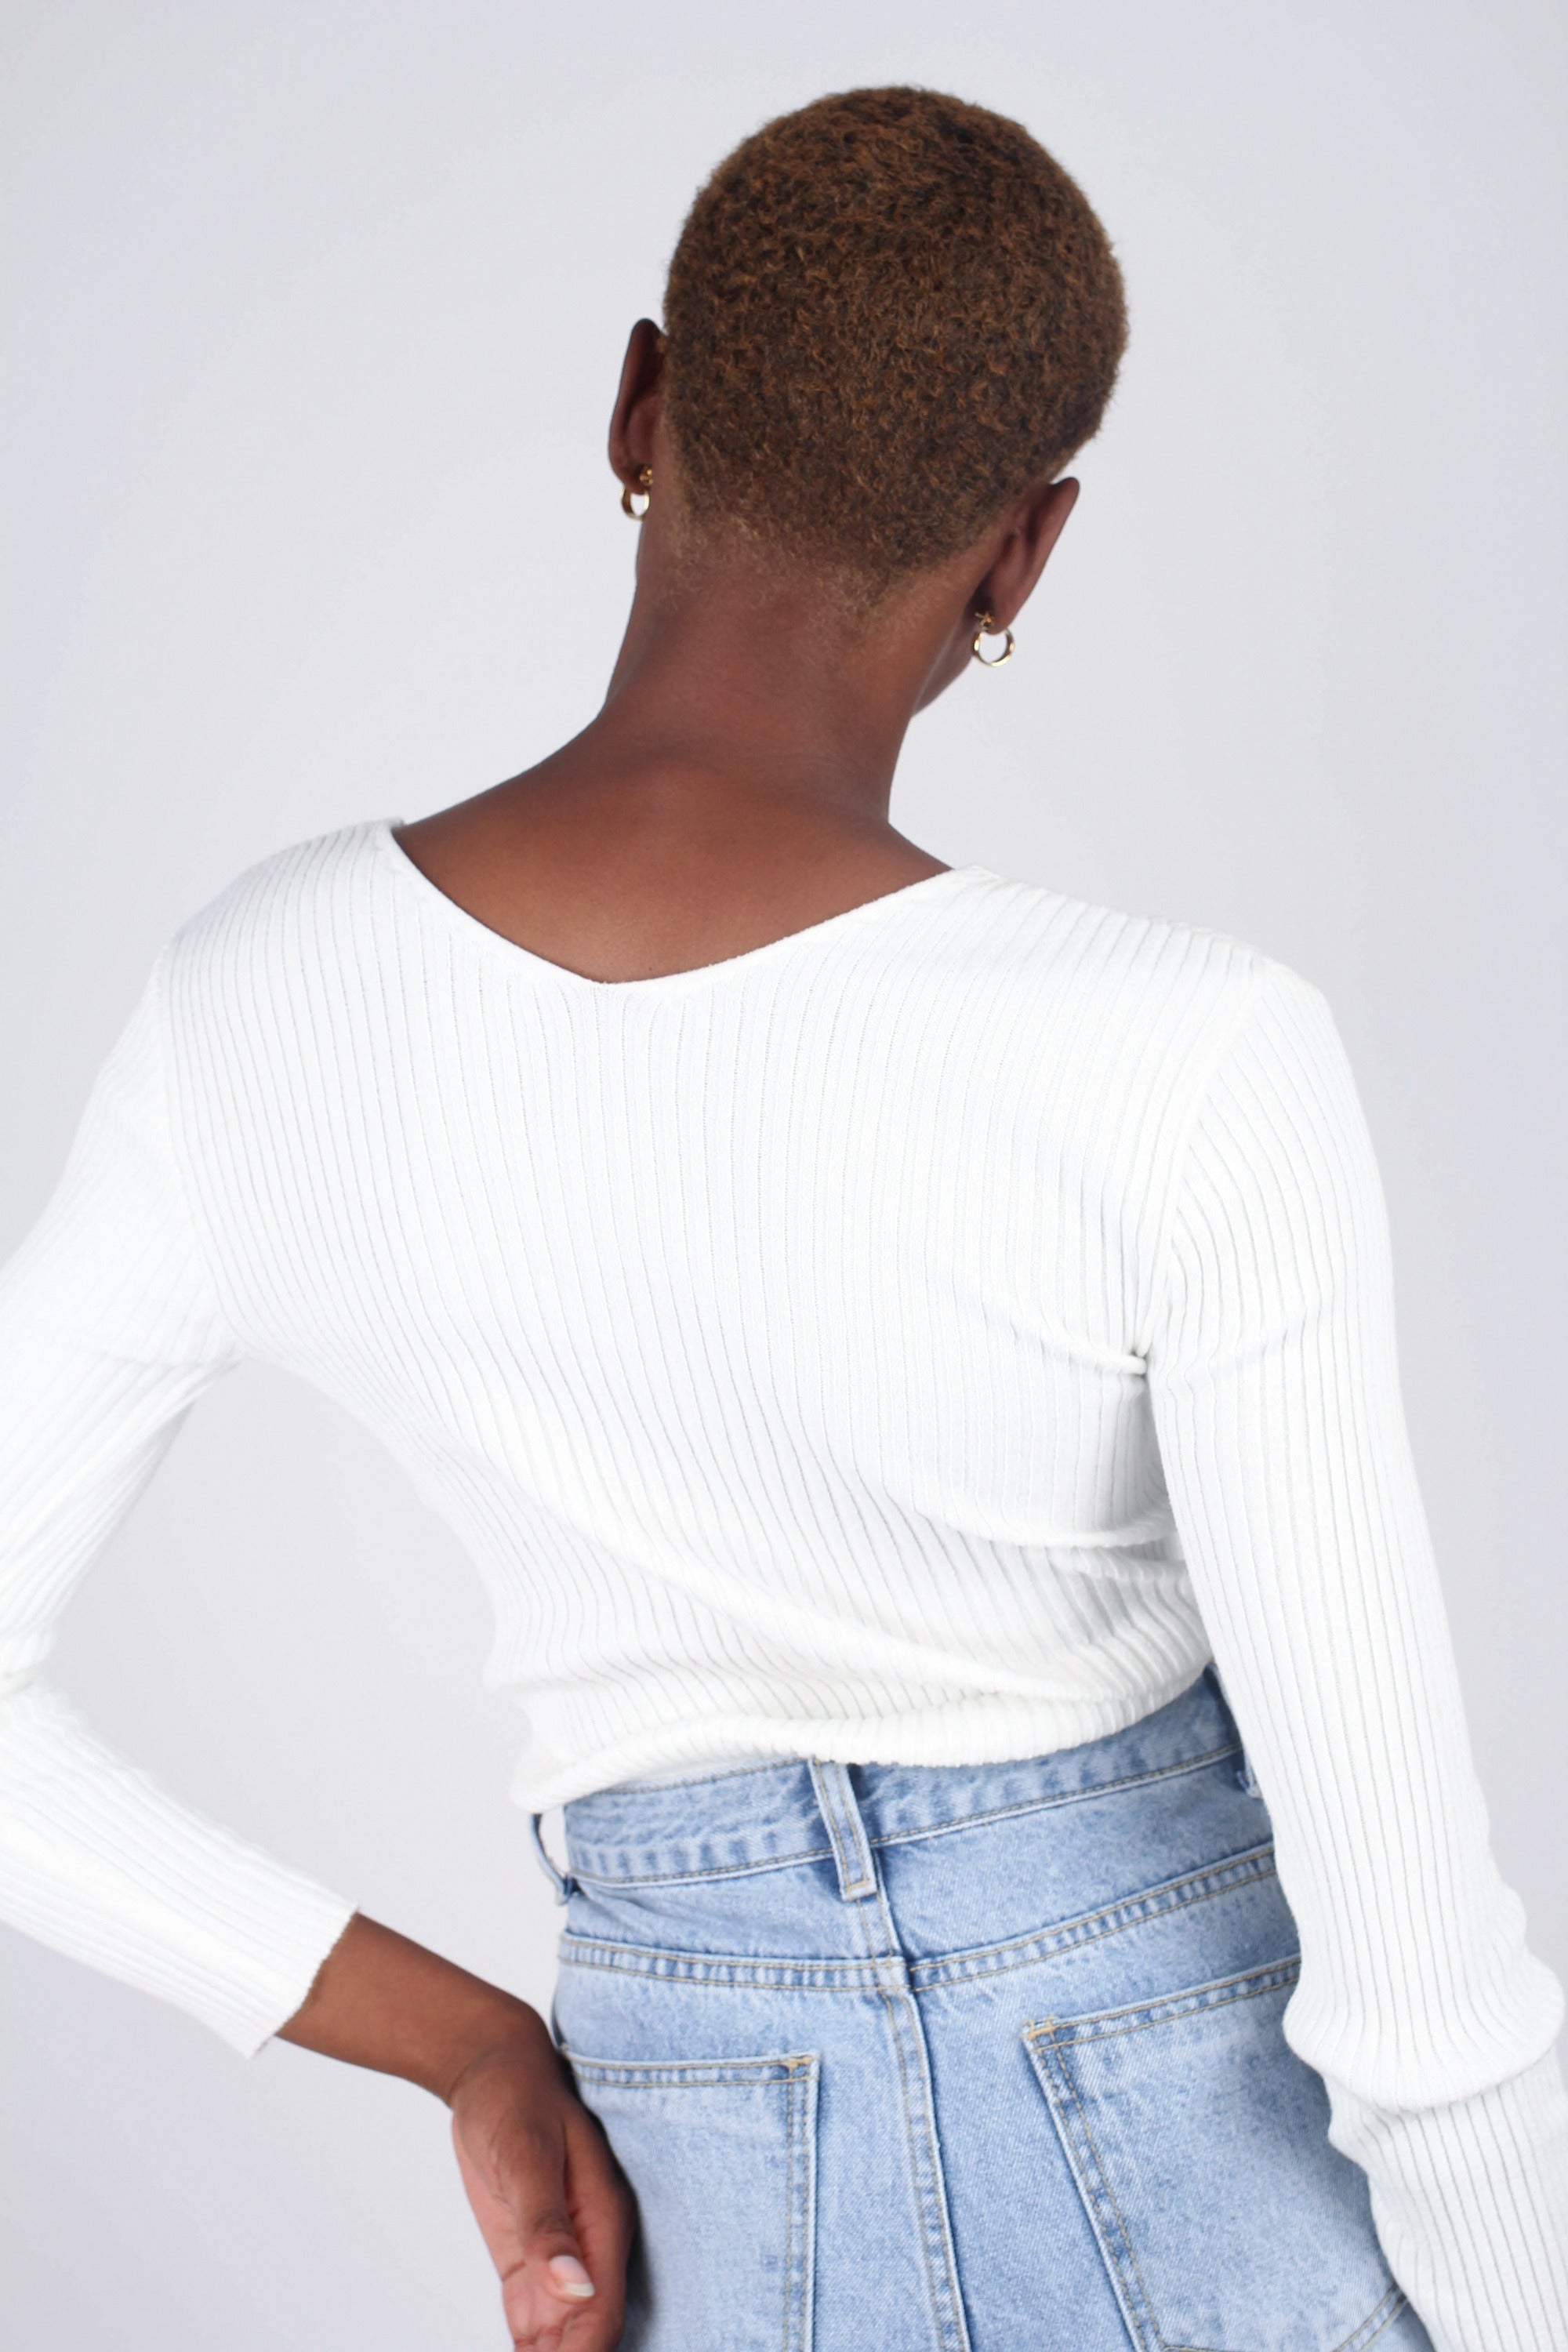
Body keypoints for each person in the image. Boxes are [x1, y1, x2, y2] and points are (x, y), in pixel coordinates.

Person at [0, 83, 1562, 2352]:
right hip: (1194, 2118)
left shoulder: (258, 1008)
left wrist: (467, 2044)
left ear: (641, 403)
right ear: (1024, 552)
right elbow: (1418, 1990)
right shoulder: (1187, 1055)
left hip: (697, 2162)